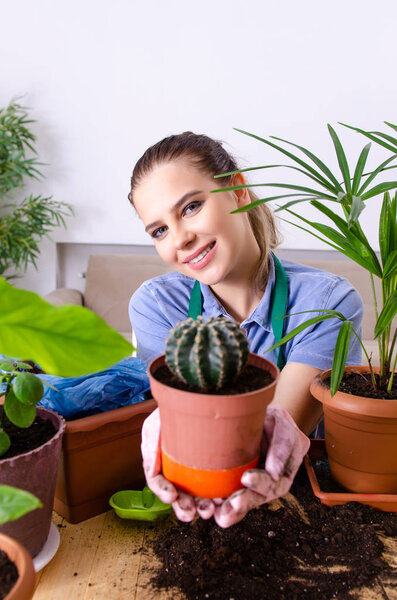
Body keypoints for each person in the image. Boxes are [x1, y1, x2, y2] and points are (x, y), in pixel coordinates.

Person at [127, 132, 363, 528]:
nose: (180, 239)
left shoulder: (329, 304)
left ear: (237, 191)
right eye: (159, 231)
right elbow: (177, 422)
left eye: (191, 207)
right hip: (197, 502)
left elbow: (268, 436)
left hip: (301, 509)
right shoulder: (156, 306)